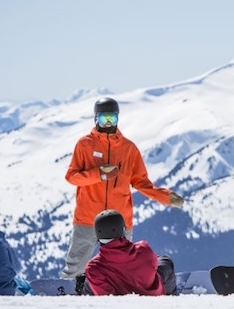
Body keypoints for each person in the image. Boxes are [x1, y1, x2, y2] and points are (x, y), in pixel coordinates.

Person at [61, 97, 185, 278]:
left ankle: (122, 297)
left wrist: (167, 197)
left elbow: (141, 182)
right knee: (76, 267)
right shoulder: (84, 144)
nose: (109, 123)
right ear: (96, 118)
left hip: (119, 221)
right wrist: (99, 174)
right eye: (105, 119)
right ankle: (67, 294)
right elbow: (72, 177)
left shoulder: (128, 148)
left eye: (113, 118)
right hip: (87, 218)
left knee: (122, 269)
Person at [77, 210, 177, 296]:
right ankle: (170, 297)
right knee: (165, 261)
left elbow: (106, 299)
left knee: (90, 278)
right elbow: (152, 265)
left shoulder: (94, 266)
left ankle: (85, 293)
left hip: (122, 307)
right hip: (155, 297)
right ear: (123, 230)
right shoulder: (144, 248)